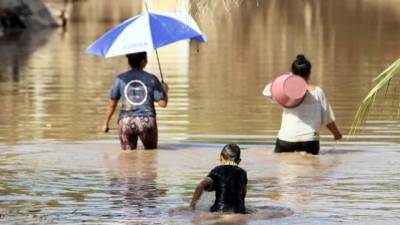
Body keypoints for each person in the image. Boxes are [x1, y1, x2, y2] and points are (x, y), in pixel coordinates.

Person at [263, 54, 342, 155]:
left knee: (285, 169)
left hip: (286, 140)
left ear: (292, 72)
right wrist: (336, 134)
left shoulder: (286, 90)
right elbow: (328, 119)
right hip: (309, 141)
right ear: (309, 73)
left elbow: (267, 91)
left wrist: (285, 78)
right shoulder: (318, 92)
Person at [101, 52, 168, 150]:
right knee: (150, 156)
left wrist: (105, 123)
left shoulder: (120, 79)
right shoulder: (152, 78)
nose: (147, 61)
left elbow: (112, 105)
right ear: (143, 61)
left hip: (125, 122)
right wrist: (165, 90)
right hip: (147, 122)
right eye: (146, 59)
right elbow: (163, 104)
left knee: (127, 159)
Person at [190, 144, 247, 214]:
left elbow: (201, 185)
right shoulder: (242, 173)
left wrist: (192, 206)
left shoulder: (217, 170)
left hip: (219, 210)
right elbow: (243, 192)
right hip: (239, 211)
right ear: (239, 161)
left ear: (221, 157)